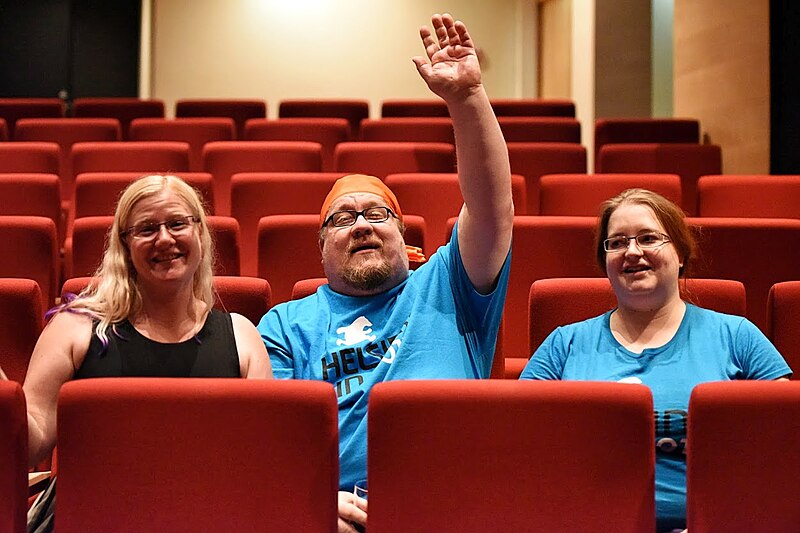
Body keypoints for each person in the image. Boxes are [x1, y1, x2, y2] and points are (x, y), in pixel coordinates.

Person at [258, 13, 513, 532]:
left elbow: (490, 208)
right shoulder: (284, 325)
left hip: (456, 512)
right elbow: (274, 443)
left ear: (405, 235)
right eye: (343, 219)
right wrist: (310, 505)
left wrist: (466, 100)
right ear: (320, 249)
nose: (361, 227)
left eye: (378, 215)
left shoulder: (449, 285)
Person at [520, 188, 791, 532]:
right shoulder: (564, 343)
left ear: (679, 254)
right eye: (616, 243)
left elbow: (786, 446)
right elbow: (521, 449)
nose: (632, 251)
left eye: (648, 238)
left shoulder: (737, 336)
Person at [0, 174, 272, 473]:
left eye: (178, 224)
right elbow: (27, 446)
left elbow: (261, 453)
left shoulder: (241, 335)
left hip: (210, 509)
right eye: (147, 229)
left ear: (201, 235)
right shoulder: (74, 328)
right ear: (125, 246)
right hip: (94, 510)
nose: (165, 238)